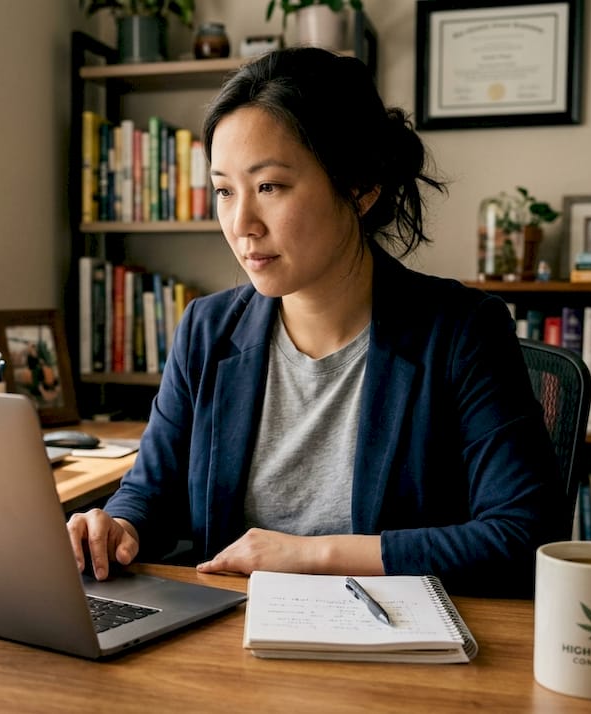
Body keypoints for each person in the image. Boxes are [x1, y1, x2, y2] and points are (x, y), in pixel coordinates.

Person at [66, 48, 560, 597]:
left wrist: (310, 555)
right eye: (225, 190)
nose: (241, 224)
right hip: (229, 644)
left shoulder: (462, 332)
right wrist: (119, 526)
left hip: (400, 650)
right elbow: (150, 492)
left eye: (270, 187)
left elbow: (523, 536)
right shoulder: (206, 331)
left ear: (360, 187)